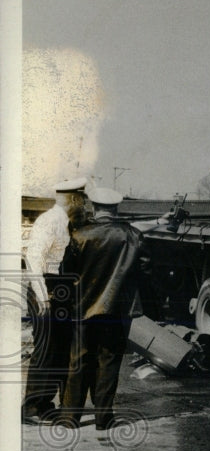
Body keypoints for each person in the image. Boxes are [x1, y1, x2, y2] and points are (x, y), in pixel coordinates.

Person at [57, 187, 149, 433]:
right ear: (116, 208)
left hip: (83, 308)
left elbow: (66, 273)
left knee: (78, 361)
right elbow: (145, 271)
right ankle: (103, 419)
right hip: (116, 310)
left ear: (94, 208)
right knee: (109, 362)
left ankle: (70, 418)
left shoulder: (79, 235)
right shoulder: (133, 235)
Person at [21, 177, 89, 423]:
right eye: (81, 199)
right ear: (73, 199)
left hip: (60, 288)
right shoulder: (49, 221)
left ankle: (45, 404)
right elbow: (34, 260)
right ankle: (30, 407)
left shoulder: (67, 221)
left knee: (59, 350)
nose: (83, 204)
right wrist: (43, 298)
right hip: (46, 290)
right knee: (45, 350)